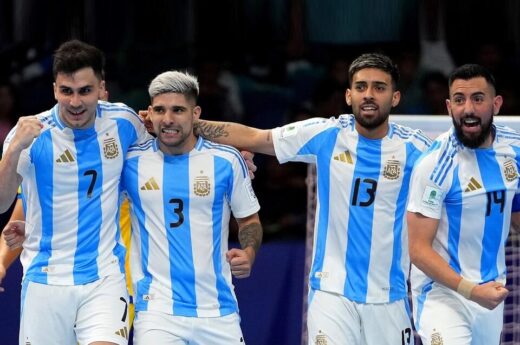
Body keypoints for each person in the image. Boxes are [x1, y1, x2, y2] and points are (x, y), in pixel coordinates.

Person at [185, 53, 432, 344]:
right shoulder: (326, 134)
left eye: (379, 87)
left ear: (395, 98)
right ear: (348, 94)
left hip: (389, 297)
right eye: (361, 87)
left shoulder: (419, 150)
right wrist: (184, 122)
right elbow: (258, 138)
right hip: (331, 294)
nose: (369, 95)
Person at [0, 39, 153, 345]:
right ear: (55, 89)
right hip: (45, 281)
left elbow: (166, 152)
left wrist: (229, 154)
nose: (75, 102)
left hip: (104, 280)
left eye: (85, 90)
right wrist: (14, 150)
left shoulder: (124, 122)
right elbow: (4, 202)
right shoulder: (30, 135)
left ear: (101, 88)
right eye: (66, 91)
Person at [122, 70, 262, 344]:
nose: (168, 119)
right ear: (149, 113)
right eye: (160, 110)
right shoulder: (130, 162)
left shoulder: (227, 160)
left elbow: (249, 220)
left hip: (218, 310)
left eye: (178, 110)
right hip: (156, 311)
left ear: (196, 113)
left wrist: (249, 252)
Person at [407, 64, 518, 344]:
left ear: (496, 104)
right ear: (448, 106)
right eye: (459, 100)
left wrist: (481, 293)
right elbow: (418, 250)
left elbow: (514, 210)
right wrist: (471, 291)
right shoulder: (434, 165)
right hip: (442, 293)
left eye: (478, 99)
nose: (468, 109)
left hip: (491, 290)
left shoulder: (514, 151)